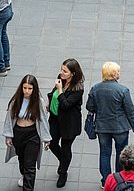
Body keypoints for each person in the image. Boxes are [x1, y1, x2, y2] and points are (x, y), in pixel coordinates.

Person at [86, 62, 134, 186]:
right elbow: (130, 111)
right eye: (118, 71)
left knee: (104, 153)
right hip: (120, 128)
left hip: (102, 127)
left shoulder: (95, 88)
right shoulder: (123, 90)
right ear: (115, 74)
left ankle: (106, 181)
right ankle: (119, 179)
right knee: (121, 153)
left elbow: (89, 106)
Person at [4, 75, 51, 191]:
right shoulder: (16, 100)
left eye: (30, 88)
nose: (27, 91)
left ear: (34, 89)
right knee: (22, 158)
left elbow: (43, 120)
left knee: (30, 166)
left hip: (32, 134)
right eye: (25, 88)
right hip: (18, 133)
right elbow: (9, 118)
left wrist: (46, 138)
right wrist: (8, 135)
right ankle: (23, 174)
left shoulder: (38, 102)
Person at [48, 59, 85, 187]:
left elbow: (65, 104)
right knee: (52, 143)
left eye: (65, 71)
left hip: (69, 123)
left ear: (73, 73)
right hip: (55, 118)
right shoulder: (61, 78)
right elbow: (54, 92)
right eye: (61, 69)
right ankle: (63, 161)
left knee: (66, 147)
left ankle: (63, 171)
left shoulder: (78, 89)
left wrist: (59, 90)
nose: (61, 73)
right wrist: (50, 99)